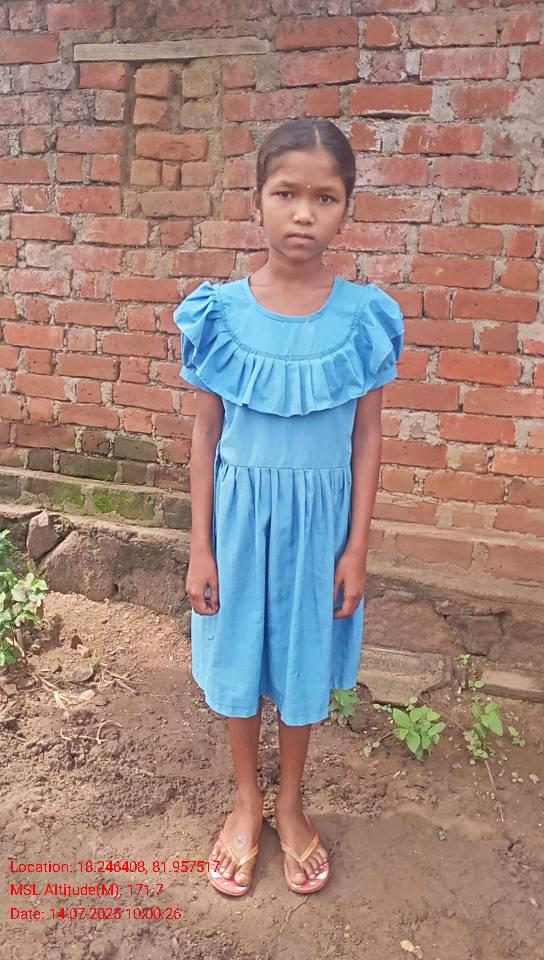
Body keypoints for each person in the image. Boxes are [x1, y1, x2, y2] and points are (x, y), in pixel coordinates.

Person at [174, 117, 405, 898]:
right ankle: (246, 802)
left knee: (303, 663)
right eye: (286, 193)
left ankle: (292, 804)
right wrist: (201, 546)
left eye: (324, 197)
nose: (304, 213)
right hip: (238, 526)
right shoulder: (219, 314)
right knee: (239, 658)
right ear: (257, 201)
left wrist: (356, 549)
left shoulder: (364, 318)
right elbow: (205, 435)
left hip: (319, 531)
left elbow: (367, 439)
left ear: (346, 209)